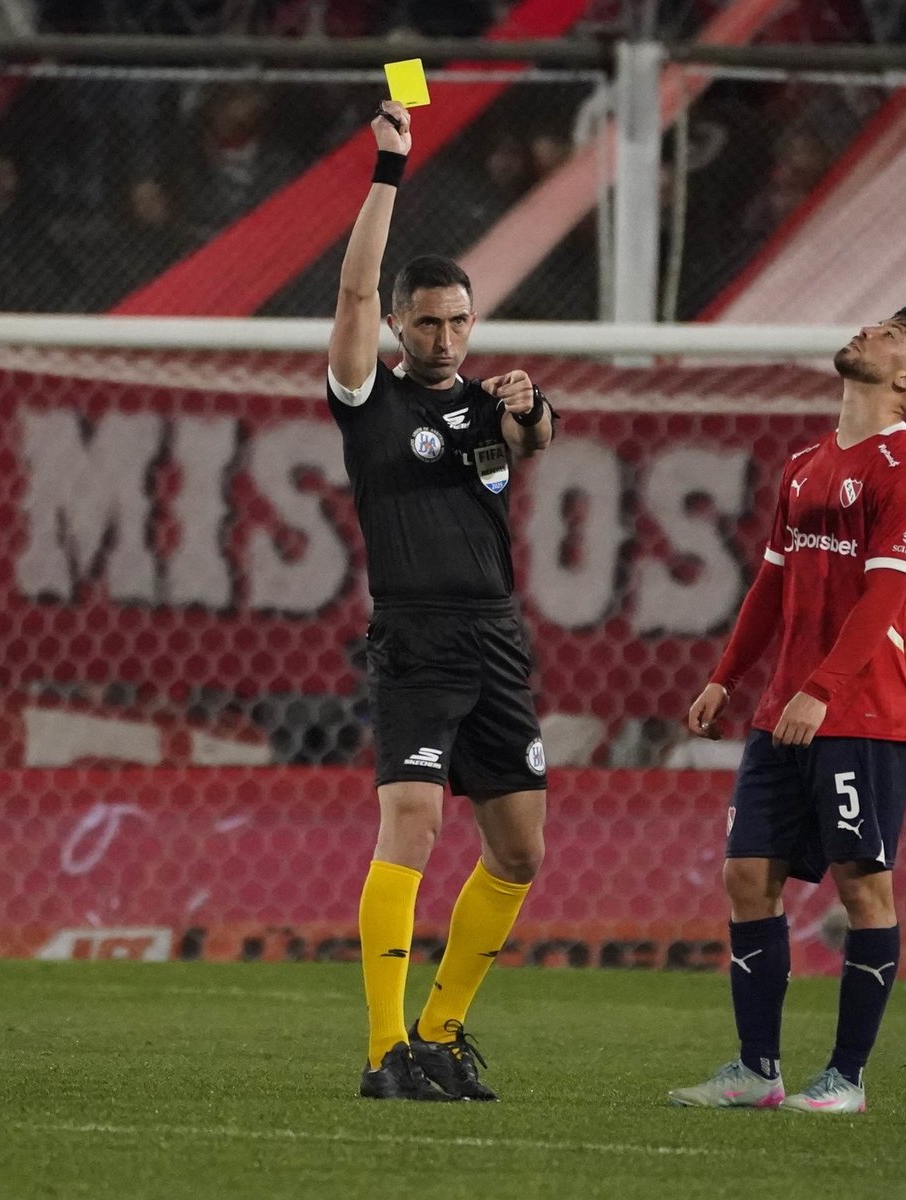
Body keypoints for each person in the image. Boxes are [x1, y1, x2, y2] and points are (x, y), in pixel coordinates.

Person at [669, 309, 906, 1114]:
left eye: (893, 334)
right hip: (781, 712)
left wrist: (822, 688)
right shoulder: (804, 465)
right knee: (746, 875)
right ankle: (757, 1070)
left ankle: (847, 1080)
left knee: (865, 888)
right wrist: (727, 676)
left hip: (861, 713)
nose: (871, 331)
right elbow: (770, 582)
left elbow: (887, 597)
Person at [328, 100, 556, 1101]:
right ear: (396, 325)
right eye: (427, 320)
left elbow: (531, 445)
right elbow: (348, 289)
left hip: (496, 639)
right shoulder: (369, 397)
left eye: (460, 320)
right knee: (412, 824)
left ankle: (441, 1032)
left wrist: (532, 414)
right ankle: (384, 1051)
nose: (447, 336)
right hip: (416, 639)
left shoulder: (484, 403)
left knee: (518, 849)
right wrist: (389, 166)